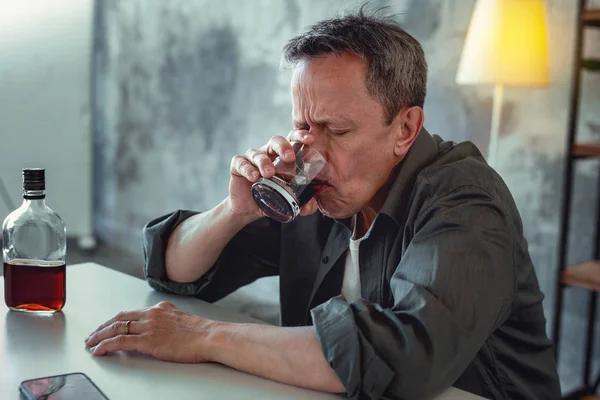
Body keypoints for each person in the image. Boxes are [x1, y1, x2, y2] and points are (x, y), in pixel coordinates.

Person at [85, 8, 561, 400]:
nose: (312, 149)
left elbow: (404, 357)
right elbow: (173, 269)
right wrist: (234, 212)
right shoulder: (317, 189)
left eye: (337, 130)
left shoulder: (465, 200)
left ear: (405, 129)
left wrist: (203, 336)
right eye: (304, 126)